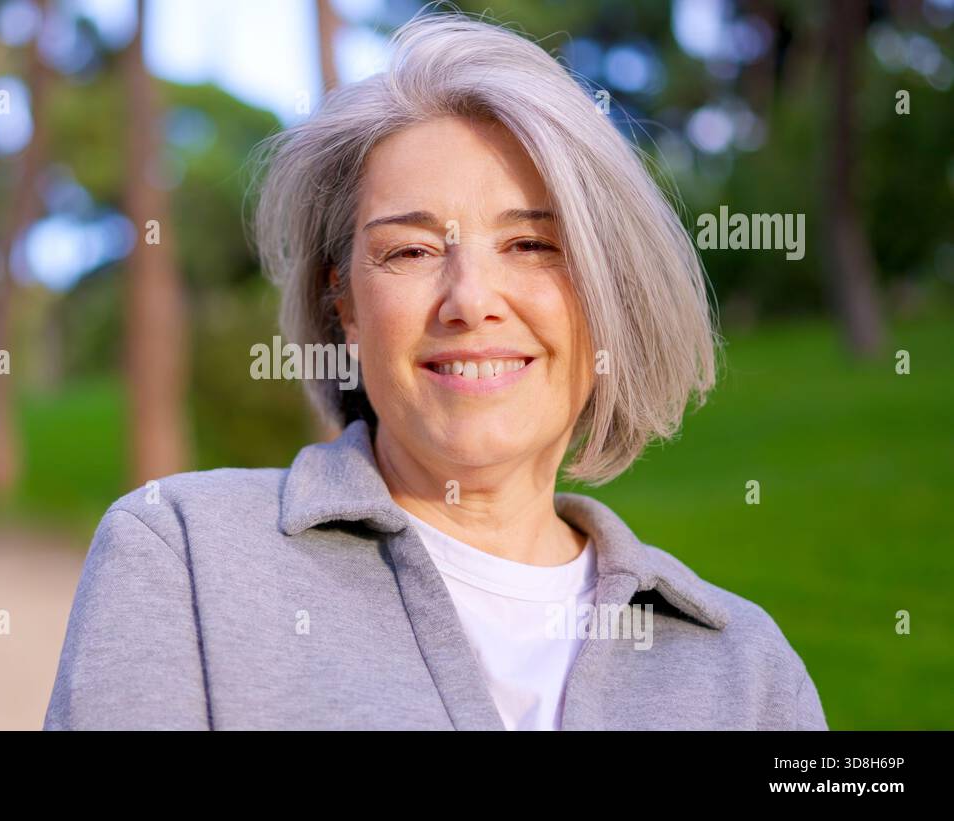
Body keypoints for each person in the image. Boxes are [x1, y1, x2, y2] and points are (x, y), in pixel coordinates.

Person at [44, 12, 828, 731]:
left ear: (611, 294)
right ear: (344, 305)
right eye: (410, 251)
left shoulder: (749, 672)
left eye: (531, 245)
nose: (470, 300)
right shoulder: (182, 559)